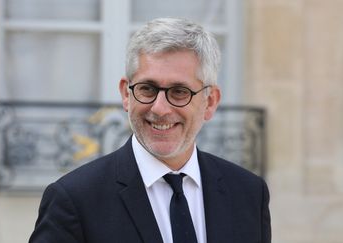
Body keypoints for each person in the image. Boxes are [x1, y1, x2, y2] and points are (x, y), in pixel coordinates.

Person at [29, 17, 271, 243]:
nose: (160, 108)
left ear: (210, 102)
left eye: (179, 92)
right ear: (126, 94)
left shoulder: (249, 194)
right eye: (147, 88)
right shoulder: (74, 199)